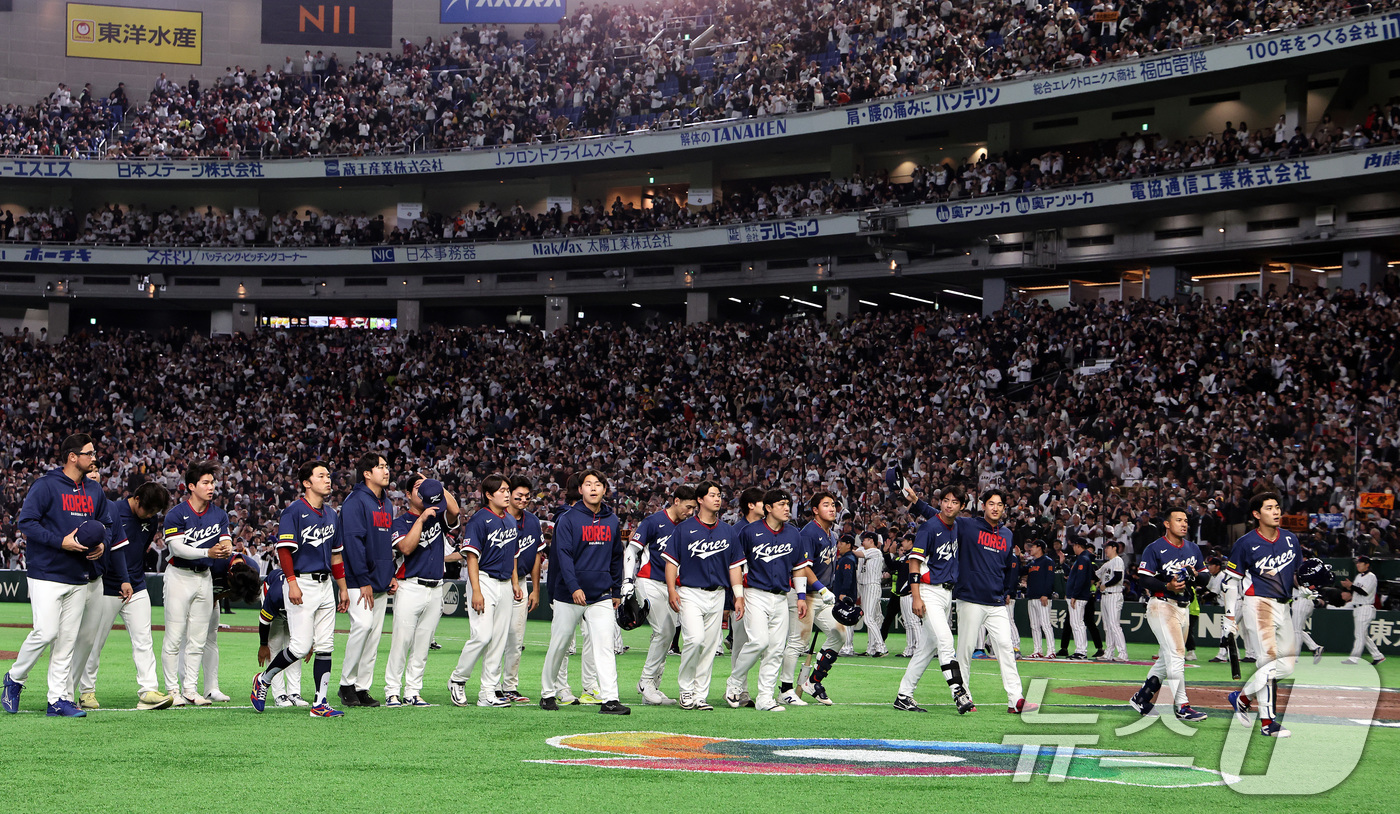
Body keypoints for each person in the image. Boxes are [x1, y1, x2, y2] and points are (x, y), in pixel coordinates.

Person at [4, 434, 113, 718]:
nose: (94, 458)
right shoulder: (46, 485)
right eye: (89, 453)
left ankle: (57, 700)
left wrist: (102, 544)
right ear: (72, 456)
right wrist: (60, 541)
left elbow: (107, 525)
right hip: (46, 572)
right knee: (46, 632)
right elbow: (26, 522)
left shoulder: (94, 490)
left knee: (66, 640)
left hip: (78, 573)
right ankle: (14, 679)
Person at [251, 460, 351, 717]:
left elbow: (337, 555)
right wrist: (292, 582)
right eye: (321, 476)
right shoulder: (294, 511)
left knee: (325, 645)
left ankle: (320, 703)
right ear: (307, 482)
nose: (328, 479)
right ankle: (263, 680)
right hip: (301, 582)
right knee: (299, 646)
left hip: (325, 584)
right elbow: (284, 549)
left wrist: (342, 588)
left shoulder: (331, 514)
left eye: (328, 475)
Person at [76, 482, 174, 711]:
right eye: (148, 511)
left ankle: (148, 691)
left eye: (155, 513)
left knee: (144, 639)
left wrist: (130, 578)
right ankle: (86, 692)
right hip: (107, 585)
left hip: (136, 585)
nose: (150, 516)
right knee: (94, 642)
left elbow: (141, 549)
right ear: (137, 499)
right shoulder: (110, 511)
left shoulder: (150, 519)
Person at [539, 470, 628, 714]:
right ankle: (547, 693)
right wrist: (573, 586)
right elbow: (563, 556)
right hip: (569, 595)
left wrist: (617, 589)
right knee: (559, 644)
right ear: (580, 490)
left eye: (597, 484)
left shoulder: (612, 521)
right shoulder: (568, 519)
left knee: (604, 645)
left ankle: (610, 699)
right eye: (587, 484)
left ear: (604, 490)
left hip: (600, 594)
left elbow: (616, 557)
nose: (592, 488)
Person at [1226, 492, 1303, 737]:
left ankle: (1242, 697)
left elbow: (1297, 574)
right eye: (1269, 508)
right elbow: (1231, 581)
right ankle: (1268, 722)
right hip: (1257, 604)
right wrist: (1229, 616)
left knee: (1288, 666)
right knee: (1268, 662)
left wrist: (1307, 587)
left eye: (1278, 507)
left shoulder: (1290, 539)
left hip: (1284, 605)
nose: (1276, 511)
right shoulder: (1246, 543)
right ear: (1257, 515)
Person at [725, 489, 810, 712]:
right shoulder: (749, 532)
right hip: (755, 593)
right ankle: (734, 682)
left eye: (788, 504)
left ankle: (765, 698)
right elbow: (736, 565)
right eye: (781, 504)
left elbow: (799, 568)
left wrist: (801, 597)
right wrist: (738, 596)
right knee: (759, 641)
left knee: (775, 649)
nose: (787, 508)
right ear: (768, 508)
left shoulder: (793, 534)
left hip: (781, 597)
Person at [666, 480, 745, 710]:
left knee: (711, 646)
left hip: (718, 594)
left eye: (719, 494)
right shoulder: (684, 529)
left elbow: (735, 567)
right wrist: (672, 589)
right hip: (690, 592)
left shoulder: (728, 531)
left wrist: (738, 595)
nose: (718, 498)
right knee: (694, 639)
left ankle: (700, 694)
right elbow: (671, 562)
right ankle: (686, 689)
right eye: (712, 495)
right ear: (700, 499)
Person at [161, 461, 235, 707]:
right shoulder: (176, 513)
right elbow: (176, 547)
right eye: (205, 482)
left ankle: (191, 689)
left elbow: (226, 543)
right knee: (174, 637)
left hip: (205, 576)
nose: (211, 487)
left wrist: (226, 549)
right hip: (179, 576)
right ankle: (173, 690)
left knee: (198, 638)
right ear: (191, 486)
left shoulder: (219, 514)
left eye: (212, 482)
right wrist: (207, 552)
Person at [896, 486, 974, 714]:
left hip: (946, 593)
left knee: (926, 649)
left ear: (961, 507)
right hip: (928, 591)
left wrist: (917, 501)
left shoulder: (955, 525)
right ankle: (959, 694)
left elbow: (938, 516)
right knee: (946, 642)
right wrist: (916, 596)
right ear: (941, 502)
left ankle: (903, 695)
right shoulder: (929, 527)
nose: (949, 505)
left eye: (955, 502)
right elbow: (914, 562)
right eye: (945, 500)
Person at [954, 489, 1034, 714]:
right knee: (965, 650)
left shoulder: (1007, 534)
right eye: (991, 503)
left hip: (996, 601)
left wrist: (1008, 589)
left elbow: (1010, 565)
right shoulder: (968, 525)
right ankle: (964, 697)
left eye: (999, 504)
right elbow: (942, 516)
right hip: (970, 598)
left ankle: (1015, 699)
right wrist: (916, 502)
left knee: (1006, 648)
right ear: (983, 506)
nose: (995, 508)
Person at [1128, 506, 1210, 723]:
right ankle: (1182, 705)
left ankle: (1141, 698)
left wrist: (1193, 575)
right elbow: (1144, 578)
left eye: (1186, 521)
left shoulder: (1192, 548)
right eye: (1179, 520)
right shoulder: (1155, 548)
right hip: (1161, 605)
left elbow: (1205, 577)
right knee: (1176, 655)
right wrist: (1167, 585)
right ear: (1167, 523)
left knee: (1167, 659)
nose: (1184, 524)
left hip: (1183, 606)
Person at [449, 474, 523, 708]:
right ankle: (458, 679)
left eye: (507, 489)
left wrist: (514, 583)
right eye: (501, 490)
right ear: (489, 495)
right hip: (483, 579)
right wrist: (476, 591)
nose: (507, 493)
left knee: (499, 640)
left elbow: (512, 556)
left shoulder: (510, 520)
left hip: (504, 583)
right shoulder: (479, 519)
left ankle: (487, 692)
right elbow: (471, 557)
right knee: (482, 635)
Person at [384, 474, 459, 707]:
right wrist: (422, 519)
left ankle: (413, 691)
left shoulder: (439, 516)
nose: (422, 491)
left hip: (436, 587)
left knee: (423, 644)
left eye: (424, 488)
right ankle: (392, 691)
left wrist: (434, 486)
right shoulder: (401, 521)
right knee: (402, 642)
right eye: (417, 488)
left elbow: (455, 511)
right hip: (411, 586)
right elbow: (406, 547)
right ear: (407, 495)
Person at [625, 485, 697, 705]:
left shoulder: (688, 527)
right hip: (649, 581)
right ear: (676, 501)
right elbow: (631, 550)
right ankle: (646, 682)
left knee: (667, 636)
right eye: (688, 507)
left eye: (694, 508)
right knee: (664, 631)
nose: (691, 512)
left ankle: (653, 686)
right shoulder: (653, 522)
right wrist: (627, 581)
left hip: (673, 587)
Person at [338, 452, 396, 708]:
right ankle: (345, 684)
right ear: (367, 473)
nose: (386, 471)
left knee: (373, 636)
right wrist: (363, 579)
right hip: (358, 580)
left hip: (380, 580)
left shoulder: (388, 503)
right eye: (380, 467)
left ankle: (362, 687)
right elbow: (352, 542)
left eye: (386, 466)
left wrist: (390, 573)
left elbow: (384, 545)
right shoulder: (355, 501)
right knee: (362, 626)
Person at [784, 491, 845, 706]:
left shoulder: (832, 534)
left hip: (823, 595)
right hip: (805, 594)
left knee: (839, 634)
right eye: (826, 504)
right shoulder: (809, 532)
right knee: (798, 642)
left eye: (834, 504)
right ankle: (785, 689)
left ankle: (813, 682)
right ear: (815, 510)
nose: (832, 508)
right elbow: (803, 566)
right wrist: (821, 589)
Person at [498, 475, 543, 704]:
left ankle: (510, 687)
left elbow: (537, 556)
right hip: (499, 581)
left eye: (527, 496)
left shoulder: (533, 521)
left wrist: (535, 589)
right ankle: (492, 685)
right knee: (495, 636)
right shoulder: (499, 518)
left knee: (516, 638)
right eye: (519, 496)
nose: (523, 499)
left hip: (522, 582)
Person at [724, 486, 766, 707]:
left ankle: (747, 689)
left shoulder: (766, 528)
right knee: (740, 641)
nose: (766, 506)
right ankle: (739, 689)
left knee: (758, 643)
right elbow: (732, 565)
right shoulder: (738, 530)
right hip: (742, 591)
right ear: (751, 505)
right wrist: (733, 595)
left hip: (760, 590)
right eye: (762, 502)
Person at [256, 568, 306, 707]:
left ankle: (294, 692)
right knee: (275, 646)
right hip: (274, 602)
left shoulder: (307, 592)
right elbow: (264, 621)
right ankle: (279, 694)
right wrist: (263, 645)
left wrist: (310, 643)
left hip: (295, 611)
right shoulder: (275, 595)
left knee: (295, 648)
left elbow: (311, 619)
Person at [1341, 555, 1386, 665]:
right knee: (1363, 635)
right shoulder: (1358, 576)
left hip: (1365, 608)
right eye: (1357, 563)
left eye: (1360, 563)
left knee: (1359, 635)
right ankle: (1378, 656)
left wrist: (1351, 586)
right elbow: (1356, 591)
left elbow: (1364, 592)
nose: (1358, 565)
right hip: (1357, 608)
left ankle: (1354, 658)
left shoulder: (1371, 576)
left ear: (1367, 565)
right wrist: (1349, 587)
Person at [1022, 540, 1056, 659]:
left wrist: (1046, 594)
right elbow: (1021, 572)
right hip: (1032, 597)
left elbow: (1050, 579)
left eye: (1033, 546)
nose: (1031, 549)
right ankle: (1038, 650)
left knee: (1045, 624)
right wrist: (1017, 557)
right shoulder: (1032, 563)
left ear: (1040, 547)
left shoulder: (1048, 561)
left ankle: (1051, 650)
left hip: (1042, 597)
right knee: (1034, 625)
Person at [1096, 540, 1129, 661]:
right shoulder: (1106, 564)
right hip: (1105, 596)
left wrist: (1106, 585)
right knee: (1107, 626)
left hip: (1114, 594)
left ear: (1114, 548)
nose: (1106, 549)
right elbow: (1096, 575)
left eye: (1107, 547)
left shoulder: (1118, 560)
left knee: (1114, 625)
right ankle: (1109, 652)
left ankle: (1123, 654)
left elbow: (1118, 577)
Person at [1292, 557, 1329, 664]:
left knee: (1296, 630)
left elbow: (1298, 584)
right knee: (1295, 628)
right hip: (1303, 601)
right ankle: (1315, 648)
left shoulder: (1308, 573)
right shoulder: (1307, 572)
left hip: (1302, 600)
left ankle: (1294, 657)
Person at [857, 532, 888, 656]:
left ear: (871, 541)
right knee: (872, 618)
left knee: (868, 618)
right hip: (866, 586)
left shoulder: (875, 551)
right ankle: (871, 648)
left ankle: (881, 647)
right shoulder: (867, 551)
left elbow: (859, 553)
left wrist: (848, 551)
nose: (862, 542)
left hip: (872, 585)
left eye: (864, 540)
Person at [1064, 538, 1093, 659]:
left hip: (1079, 596)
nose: (1073, 548)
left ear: (1078, 546)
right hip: (1078, 595)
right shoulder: (1084, 558)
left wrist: (1074, 595)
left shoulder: (1083, 558)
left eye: (1074, 545)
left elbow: (1080, 579)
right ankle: (1080, 650)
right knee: (1076, 623)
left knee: (1077, 623)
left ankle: (1081, 651)